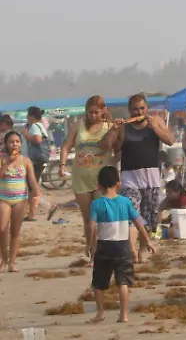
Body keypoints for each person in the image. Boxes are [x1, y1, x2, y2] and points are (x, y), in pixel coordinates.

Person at [101, 94, 175, 263]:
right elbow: (105, 145)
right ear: (130, 110)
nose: (139, 112)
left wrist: (154, 128)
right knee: (131, 215)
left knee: (148, 218)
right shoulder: (123, 127)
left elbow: (170, 140)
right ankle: (131, 250)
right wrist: (113, 129)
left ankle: (142, 251)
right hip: (129, 178)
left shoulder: (155, 122)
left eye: (142, 108)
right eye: (135, 109)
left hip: (152, 178)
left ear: (146, 108)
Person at [89, 166, 155, 323]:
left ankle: (100, 313)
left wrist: (90, 246)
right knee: (123, 282)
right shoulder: (125, 202)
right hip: (123, 247)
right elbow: (139, 223)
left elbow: (91, 227)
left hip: (104, 246)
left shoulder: (96, 204)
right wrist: (147, 241)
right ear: (118, 183)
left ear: (99, 185)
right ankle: (123, 314)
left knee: (98, 283)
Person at [59, 96, 113, 261]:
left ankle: (99, 251)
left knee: (101, 216)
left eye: (96, 112)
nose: (93, 116)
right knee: (88, 218)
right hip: (81, 177)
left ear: (103, 111)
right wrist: (62, 165)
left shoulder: (109, 127)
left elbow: (117, 148)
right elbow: (66, 146)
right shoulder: (78, 126)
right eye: (90, 112)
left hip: (101, 178)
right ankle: (91, 247)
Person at [0, 130, 39, 272]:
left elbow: (32, 181)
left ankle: (12, 263)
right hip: (3, 198)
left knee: (15, 231)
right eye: (11, 142)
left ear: (21, 144)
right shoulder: (2, 158)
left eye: (17, 142)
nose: (14, 144)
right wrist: (7, 163)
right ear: (6, 144)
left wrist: (37, 193)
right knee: (2, 229)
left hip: (20, 199)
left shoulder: (26, 161)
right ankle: (3, 260)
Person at [23, 106, 51, 221]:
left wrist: (26, 135)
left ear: (32, 116)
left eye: (28, 115)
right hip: (40, 159)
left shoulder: (34, 126)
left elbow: (38, 140)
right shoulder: (41, 125)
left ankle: (46, 208)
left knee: (32, 187)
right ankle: (32, 212)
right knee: (32, 187)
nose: (27, 117)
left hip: (36, 160)